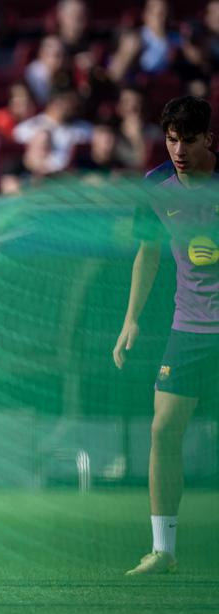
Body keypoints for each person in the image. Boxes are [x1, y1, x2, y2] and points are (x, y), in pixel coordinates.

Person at [113, 96, 219, 576]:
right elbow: (148, 253)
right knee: (161, 431)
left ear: (208, 139)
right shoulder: (156, 185)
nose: (178, 149)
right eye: (171, 139)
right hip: (189, 329)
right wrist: (131, 318)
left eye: (188, 140)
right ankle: (163, 551)